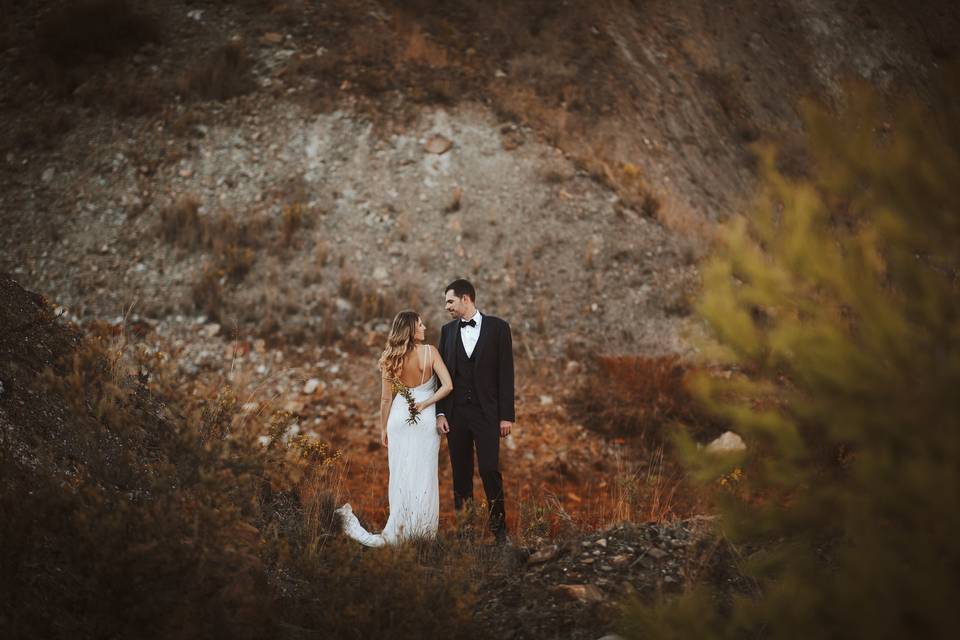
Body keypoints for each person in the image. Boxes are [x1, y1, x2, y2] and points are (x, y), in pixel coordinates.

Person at [336, 311, 453, 547]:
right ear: (411, 329)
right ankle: (422, 534)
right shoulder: (430, 352)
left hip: (398, 419)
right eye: (420, 324)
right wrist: (426, 403)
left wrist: (383, 429)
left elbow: (385, 400)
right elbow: (448, 385)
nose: (424, 326)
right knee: (424, 475)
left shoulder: (390, 357)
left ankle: (400, 528)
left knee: (400, 473)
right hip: (424, 419)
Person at [436, 279, 515, 544]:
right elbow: (440, 376)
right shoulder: (446, 332)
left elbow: (506, 374)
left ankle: (500, 531)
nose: (446, 306)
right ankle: (466, 533)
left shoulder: (499, 328)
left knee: (490, 470)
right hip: (456, 415)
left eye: (450, 301)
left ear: (466, 298)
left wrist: (506, 416)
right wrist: (440, 413)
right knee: (461, 474)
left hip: (487, 415)